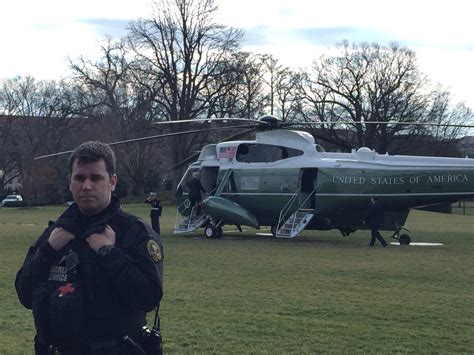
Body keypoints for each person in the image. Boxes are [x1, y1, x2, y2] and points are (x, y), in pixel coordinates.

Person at [15, 141, 164, 355]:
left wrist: (110, 254)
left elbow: (149, 297)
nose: (86, 186)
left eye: (95, 178)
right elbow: (24, 294)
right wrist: (47, 251)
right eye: (79, 178)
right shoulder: (55, 234)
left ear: (112, 182)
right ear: (70, 182)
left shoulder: (134, 232)